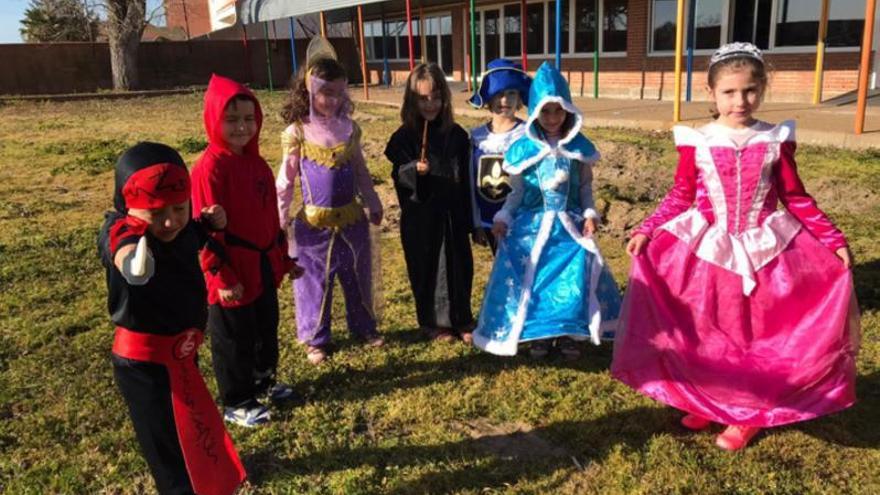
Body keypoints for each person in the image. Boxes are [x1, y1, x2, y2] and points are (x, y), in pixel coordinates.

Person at [611, 43, 860, 451]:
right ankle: (712, 400)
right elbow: (681, 195)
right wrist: (648, 228)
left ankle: (746, 413)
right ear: (711, 93)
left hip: (765, 251)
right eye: (729, 92)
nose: (740, 100)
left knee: (752, 337)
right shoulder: (699, 141)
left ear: (761, 90)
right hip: (710, 251)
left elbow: (795, 197)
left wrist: (832, 239)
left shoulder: (775, 139)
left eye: (749, 91)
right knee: (708, 332)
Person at [98, 142, 246, 494]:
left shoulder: (182, 227)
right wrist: (130, 261)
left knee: (188, 418)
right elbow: (119, 244)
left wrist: (210, 221)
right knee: (161, 431)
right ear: (129, 206)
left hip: (182, 347)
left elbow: (195, 230)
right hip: (144, 362)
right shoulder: (122, 229)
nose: (169, 221)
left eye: (179, 208)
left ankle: (201, 472)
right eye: (155, 213)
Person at [472, 61, 621, 359]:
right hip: (532, 226)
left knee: (573, 279)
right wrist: (503, 217)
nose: (552, 118)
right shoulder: (523, 150)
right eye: (545, 110)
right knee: (535, 281)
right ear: (535, 111)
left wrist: (590, 214)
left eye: (558, 110)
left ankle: (567, 333)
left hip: (568, 226)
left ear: (568, 109)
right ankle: (539, 334)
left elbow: (584, 190)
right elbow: (515, 194)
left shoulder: (580, 149)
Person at [191, 74, 302, 428]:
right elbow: (205, 232)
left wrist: (283, 259)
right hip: (232, 270)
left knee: (264, 330)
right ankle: (236, 399)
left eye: (248, 119)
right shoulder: (210, 170)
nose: (242, 127)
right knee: (234, 339)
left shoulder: (257, 164)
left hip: (263, 267)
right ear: (214, 120)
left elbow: (271, 219)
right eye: (232, 119)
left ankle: (264, 381)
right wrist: (221, 275)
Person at [277, 44, 384, 365]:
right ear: (308, 91)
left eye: (339, 93)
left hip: (352, 221)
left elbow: (362, 171)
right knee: (314, 283)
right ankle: (316, 337)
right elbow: (285, 180)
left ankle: (363, 325)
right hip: (313, 225)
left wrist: (373, 200)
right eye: (326, 93)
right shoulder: (296, 132)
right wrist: (279, 220)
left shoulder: (349, 129)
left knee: (356, 275)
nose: (333, 100)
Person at [384, 63, 475, 343]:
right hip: (422, 217)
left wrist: (471, 217)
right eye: (423, 99)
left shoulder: (456, 135)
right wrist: (414, 170)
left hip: (452, 215)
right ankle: (434, 323)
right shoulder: (403, 137)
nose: (430, 104)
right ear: (412, 101)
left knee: (459, 266)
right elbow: (398, 174)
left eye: (436, 97)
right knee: (428, 268)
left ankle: (461, 318)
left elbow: (467, 176)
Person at [468, 58, 531, 253]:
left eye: (511, 93)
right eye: (499, 94)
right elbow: (471, 183)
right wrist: (476, 223)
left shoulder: (527, 135)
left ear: (520, 98)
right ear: (488, 98)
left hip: (520, 221)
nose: (505, 100)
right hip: (487, 220)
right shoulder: (477, 138)